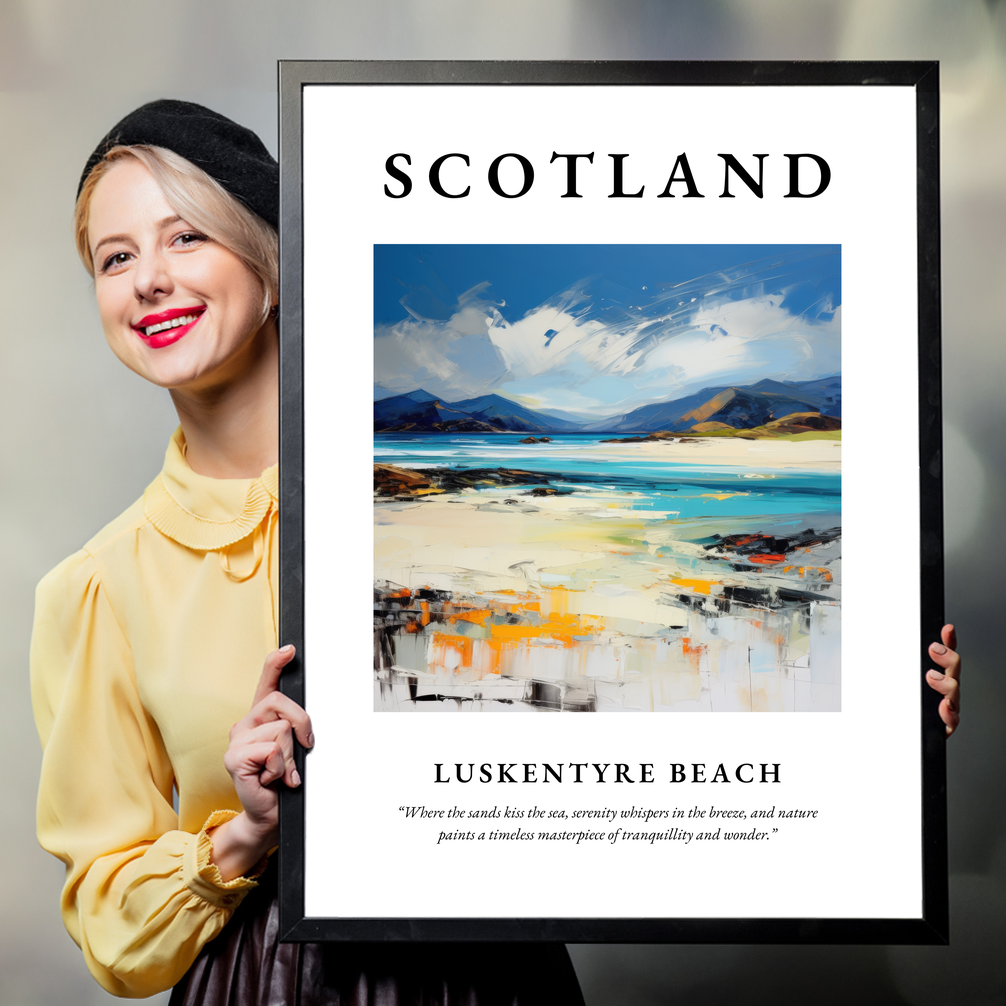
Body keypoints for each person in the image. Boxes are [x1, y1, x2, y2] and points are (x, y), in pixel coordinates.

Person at [30, 100, 586, 1004]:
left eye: (185, 238)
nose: (148, 281)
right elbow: (110, 924)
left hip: (493, 973)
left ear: (273, 263)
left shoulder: (447, 506)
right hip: (262, 982)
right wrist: (245, 832)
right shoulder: (97, 587)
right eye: (116, 257)